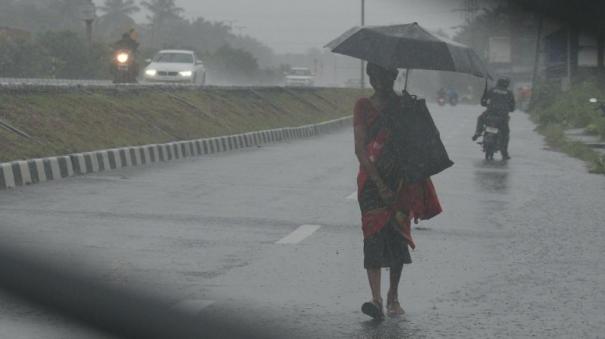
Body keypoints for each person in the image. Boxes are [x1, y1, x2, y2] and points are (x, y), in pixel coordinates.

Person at [354, 63, 443, 320]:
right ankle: (376, 299)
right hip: (371, 182)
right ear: (370, 77)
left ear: (395, 76)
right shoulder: (363, 106)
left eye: (385, 76)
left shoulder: (405, 105)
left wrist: (409, 112)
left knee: (397, 236)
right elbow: (360, 148)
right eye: (374, 76)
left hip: (402, 182)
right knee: (372, 234)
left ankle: (393, 297)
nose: (379, 81)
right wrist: (380, 184)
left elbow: (422, 143)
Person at [472, 77, 516, 159]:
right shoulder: (509, 93)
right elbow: (512, 107)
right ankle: (504, 153)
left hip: (489, 114)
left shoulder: (492, 90)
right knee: (505, 134)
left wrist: (485, 103)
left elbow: (483, 101)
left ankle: (478, 132)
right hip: (502, 117)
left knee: (480, 118)